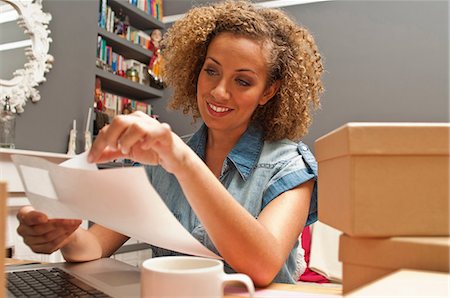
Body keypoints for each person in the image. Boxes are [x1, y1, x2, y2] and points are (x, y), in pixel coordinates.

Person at [16, 0, 324, 286]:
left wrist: (185, 162)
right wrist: (63, 236)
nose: (218, 91)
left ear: (268, 91)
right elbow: (95, 245)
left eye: (242, 81)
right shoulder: (157, 162)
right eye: (211, 71)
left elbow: (263, 266)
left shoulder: (290, 165)